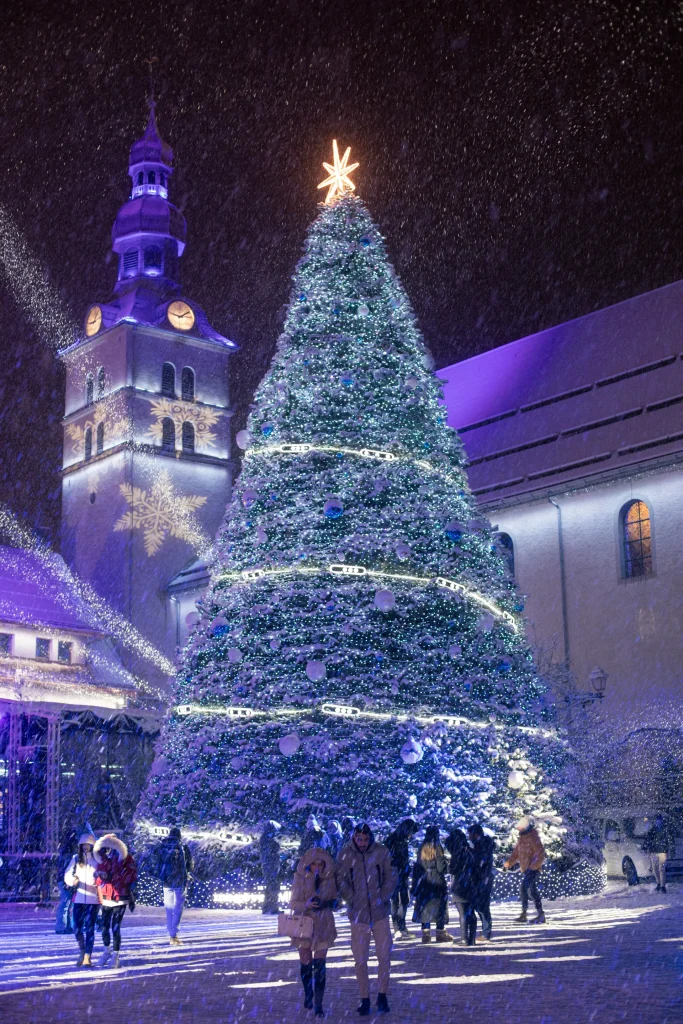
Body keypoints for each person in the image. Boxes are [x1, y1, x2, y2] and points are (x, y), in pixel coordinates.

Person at [336, 822, 398, 1016]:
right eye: (358, 839)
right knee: (360, 959)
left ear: (370, 837)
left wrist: (382, 896)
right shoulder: (346, 854)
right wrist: (353, 899)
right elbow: (341, 880)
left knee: (384, 957)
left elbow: (391, 876)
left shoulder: (381, 852)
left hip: (380, 913)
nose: (362, 843)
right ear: (354, 838)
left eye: (365, 839)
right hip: (358, 914)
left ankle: (382, 995)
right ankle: (364, 997)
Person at [290, 847, 338, 1018]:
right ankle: (308, 993)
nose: (317, 866)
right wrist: (307, 905)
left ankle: (319, 1003)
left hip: (323, 923)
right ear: (308, 864)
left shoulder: (329, 878)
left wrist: (329, 903)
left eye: (320, 863)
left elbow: (336, 901)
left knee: (320, 965)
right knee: (305, 962)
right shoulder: (300, 877)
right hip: (304, 923)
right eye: (314, 863)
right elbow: (293, 903)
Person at [93, 834, 137, 968]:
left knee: (115, 927)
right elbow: (97, 880)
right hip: (106, 897)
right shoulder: (102, 860)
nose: (109, 851)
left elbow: (131, 877)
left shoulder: (126, 859)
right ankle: (107, 952)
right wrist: (101, 876)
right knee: (105, 927)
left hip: (120, 897)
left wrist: (117, 875)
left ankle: (115, 955)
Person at [411, 825, 452, 943]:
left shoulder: (422, 848)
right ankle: (440, 933)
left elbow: (417, 867)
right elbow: (441, 867)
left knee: (425, 907)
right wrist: (446, 864)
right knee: (439, 907)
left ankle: (426, 934)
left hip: (424, 881)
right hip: (437, 881)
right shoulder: (437, 848)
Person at [152, 826, 193, 944]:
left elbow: (157, 863)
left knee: (169, 908)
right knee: (178, 908)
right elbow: (189, 865)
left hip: (166, 882)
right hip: (180, 881)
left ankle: (171, 933)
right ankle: (174, 934)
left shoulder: (162, 847)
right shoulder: (183, 848)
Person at [63, 832, 99, 967]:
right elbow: (67, 873)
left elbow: (104, 874)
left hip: (93, 899)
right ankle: (82, 951)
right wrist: (72, 880)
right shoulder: (76, 858)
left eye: (88, 845)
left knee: (90, 928)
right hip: (78, 897)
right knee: (76, 927)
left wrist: (100, 878)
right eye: (83, 845)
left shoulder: (97, 859)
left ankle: (88, 956)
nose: (85, 847)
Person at [503, 815, 546, 924]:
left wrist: (533, 867)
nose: (519, 829)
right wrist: (508, 864)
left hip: (532, 869)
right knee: (531, 891)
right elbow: (516, 854)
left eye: (521, 828)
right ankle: (538, 914)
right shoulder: (522, 839)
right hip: (526, 869)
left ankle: (526, 914)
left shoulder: (533, 838)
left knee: (524, 889)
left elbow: (540, 854)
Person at [384, 818, 418, 940]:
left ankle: (400, 927)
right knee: (397, 901)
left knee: (402, 900)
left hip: (400, 874)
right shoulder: (394, 841)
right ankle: (398, 928)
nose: (411, 835)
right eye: (411, 832)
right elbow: (390, 858)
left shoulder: (398, 840)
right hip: (395, 874)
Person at [446, 827, 477, 945]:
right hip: (471, 885)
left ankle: (464, 938)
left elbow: (453, 870)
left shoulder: (457, 853)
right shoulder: (470, 850)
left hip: (460, 885)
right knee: (470, 912)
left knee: (463, 913)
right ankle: (471, 938)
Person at [468, 823, 495, 940]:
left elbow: (481, 862)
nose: (469, 837)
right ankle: (486, 931)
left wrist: (482, 879)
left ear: (475, 834)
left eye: (470, 834)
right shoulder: (482, 844)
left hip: (483, 879)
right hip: (483, 878)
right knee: (481, 905)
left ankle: (486, 932)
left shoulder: (482, 846)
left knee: (482, 906)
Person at [642, 813, 675, 893]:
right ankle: (659, 884)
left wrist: (672, 850)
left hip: (662, 851)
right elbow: (648, 839)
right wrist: (645, 847)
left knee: (661, 869)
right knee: (656, 869)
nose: (658, 822)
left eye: (659, 820)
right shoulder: (653, 830)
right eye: (657, 820)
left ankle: (662, 885)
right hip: (655, 851)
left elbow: (670, 840)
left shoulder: (665, 830)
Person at [55, 830, 78, 935]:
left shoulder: (64, 854)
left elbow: (61, 869)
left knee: (66, 904)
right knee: (67, 904)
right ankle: (64, 926)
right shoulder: (71, 855)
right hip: (68, 881)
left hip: (66, 881)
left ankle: (64, 926)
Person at [259, 820, 282, 914]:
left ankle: (268, 906)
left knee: (271, 885)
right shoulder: (268, 839)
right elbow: (271, 852)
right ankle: (271, 906)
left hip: (268, 864)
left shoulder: (265, 838)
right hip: (271, 865)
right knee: (273, 886)